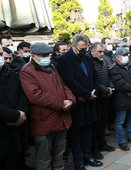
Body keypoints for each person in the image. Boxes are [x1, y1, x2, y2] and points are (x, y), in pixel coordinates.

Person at [19, 42, 76, 170]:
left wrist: (71, 100)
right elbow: (35, 95)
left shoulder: (52, 67)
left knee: (59, 157)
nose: (47, 58)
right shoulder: (27, 71)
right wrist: (61, 103)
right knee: (44, 160)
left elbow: (64, 86)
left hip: (61, 119)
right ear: (33, 56)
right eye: (43, 55)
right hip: (44, 122)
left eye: (48, 55)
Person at [57, 34, 103, 170]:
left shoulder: (87, 59)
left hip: (90, 101)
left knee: (88, 131)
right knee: (76, 134)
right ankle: (78, 163)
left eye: (86, 48)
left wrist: (93, 93)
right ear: (73, 45)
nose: (84, 51)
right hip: (77, 103)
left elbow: (95, 77)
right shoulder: (64, 60)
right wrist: (85, 94)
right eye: (81, 48)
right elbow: (69, 81)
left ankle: (87, 157)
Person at [109, 47, 131, 151]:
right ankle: (122, 141)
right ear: (118, 57)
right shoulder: (114, 68)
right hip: (122, 99)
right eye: (123, 55)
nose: (126, 57)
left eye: (126, 55)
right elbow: (119, 83)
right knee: (120, 121)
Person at [0, 45, 29, 170]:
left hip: (16, 127)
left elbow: (21, 92)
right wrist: (13, 116)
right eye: (1, 55)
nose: (3, 58)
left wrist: (20, 112)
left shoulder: (8, 71)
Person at [88, 42, 115, 160]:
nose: (102, 53)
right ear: (92, 51)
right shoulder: (89, 63)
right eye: (99, 51)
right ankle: (95, 148)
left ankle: (103, 144)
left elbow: (108, 76)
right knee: (96, 124)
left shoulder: (103, 61)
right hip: (96, 98)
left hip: (106, 96)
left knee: (103, 122)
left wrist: (110, 87)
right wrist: (105, 89)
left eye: (103, 51)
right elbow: (94, 81)